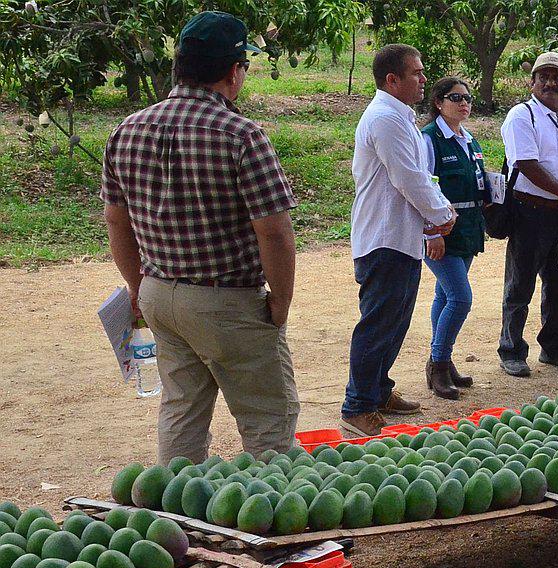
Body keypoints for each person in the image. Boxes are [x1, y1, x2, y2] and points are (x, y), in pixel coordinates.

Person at [102, 11, 300, 463]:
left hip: (160, 294)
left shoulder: (126, 129)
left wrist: (139, 287)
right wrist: (281, 303)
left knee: (181, 411)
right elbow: (275, 233)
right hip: (226, 299)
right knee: (268, 418)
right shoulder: (241, 134)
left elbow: (116, 220)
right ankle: (274, 524)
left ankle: (177, 518)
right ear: (234, 71)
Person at [343, 44, 456, 436]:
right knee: (378, 324)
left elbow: (419, 178)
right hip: (384, 237)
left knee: (395, 322)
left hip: (400, 237)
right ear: (392, 80)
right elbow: (408, 178)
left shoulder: (399, 116)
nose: (424, 79)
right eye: (417, 73)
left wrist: (432, 217)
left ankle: (377, 390)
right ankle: (357, 405)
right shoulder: (385, 119)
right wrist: (442, 214)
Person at [498, 52, 558, 377]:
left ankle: (554, 347)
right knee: (520, 285)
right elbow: (526, 164)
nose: (551, 83)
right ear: (533, 82)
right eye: (545, 77)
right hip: (530, 212)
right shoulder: (521, 116)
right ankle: (511, 350)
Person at [420, 77, 490, 400]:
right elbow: (424, 187)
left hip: (467, 231)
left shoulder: (468, 139)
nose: (465, 103)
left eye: (468, 98)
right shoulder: (430, 139)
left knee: (445, 296)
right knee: (460, 298)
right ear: (438, 102)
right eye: (456, 97)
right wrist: (432, 231)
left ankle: (442, 361)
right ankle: (438, 362)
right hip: (442, 234)